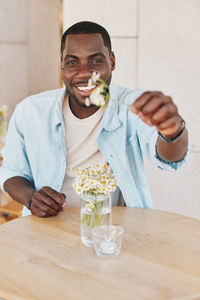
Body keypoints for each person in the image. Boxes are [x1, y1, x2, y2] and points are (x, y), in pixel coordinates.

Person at [0, 21, 188, 218]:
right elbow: (11, 171)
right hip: (46, 228)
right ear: (61, 64)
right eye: (72, 62)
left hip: (112, 231)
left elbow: (169, 157)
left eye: (96, 61)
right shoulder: (30, 111)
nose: (84, 73)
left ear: (112, 61)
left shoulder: (133, 106)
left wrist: (172, 130)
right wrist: (31, 198)